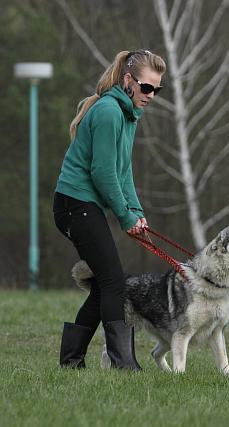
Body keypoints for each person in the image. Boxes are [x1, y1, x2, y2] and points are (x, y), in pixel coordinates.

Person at [54, 49, 166, 370]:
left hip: (87, 205)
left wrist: (136, 212)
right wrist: (125, 217)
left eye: (157, 90)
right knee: (114, 282)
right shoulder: (109, 112)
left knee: (106, 284)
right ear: (128, 80)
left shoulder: (128, 114)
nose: (151, 95)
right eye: (147, 87)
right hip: (74, 205)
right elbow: (102, 173)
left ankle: (71, 362)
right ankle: (123, 364)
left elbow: (123, 171)